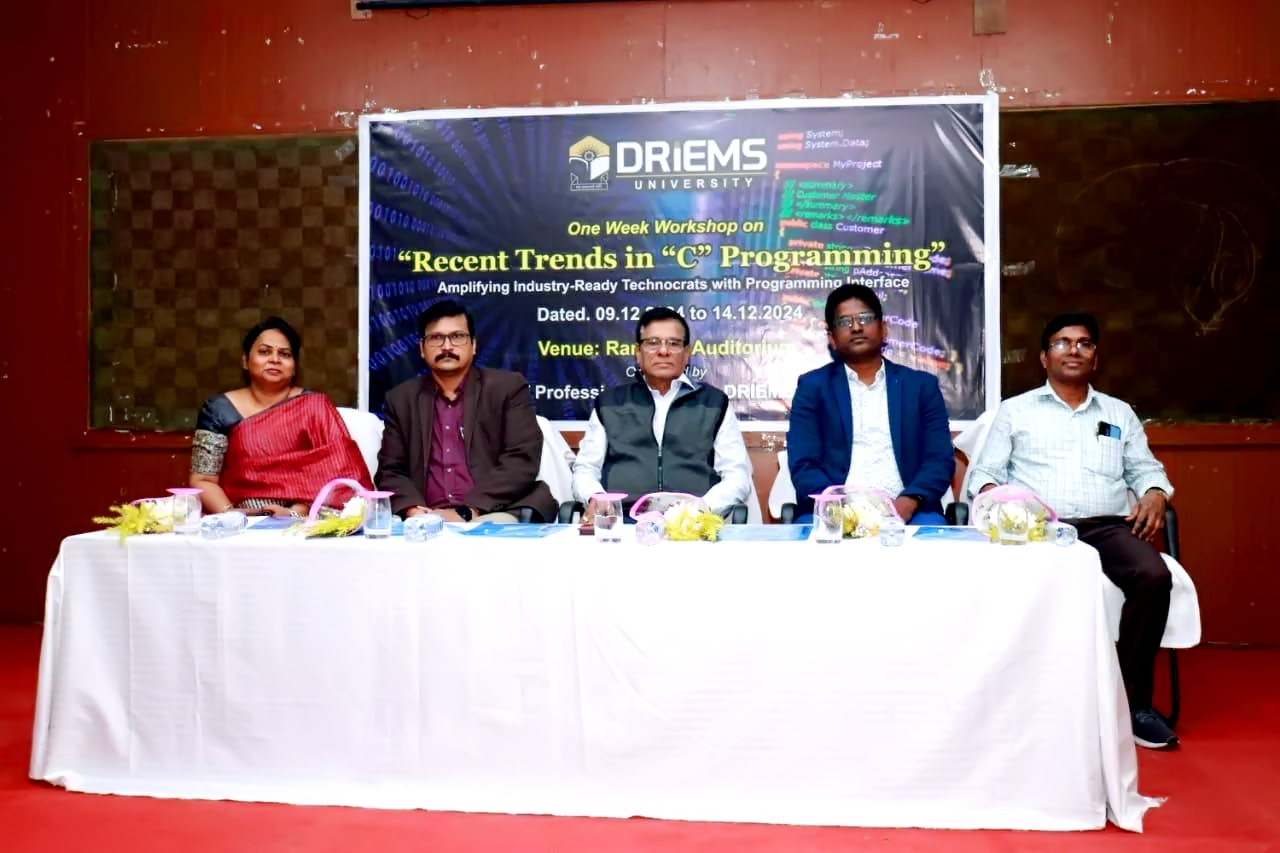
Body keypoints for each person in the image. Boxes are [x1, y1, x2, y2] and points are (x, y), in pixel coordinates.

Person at [967, 312, 1178, 750]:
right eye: (1062, 343)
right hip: (1038, 529)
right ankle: (1017, 703)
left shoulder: (1118, 413)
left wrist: (1156, 492)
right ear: (1045, 357)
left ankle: (1133, 705)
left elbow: (1145, 469)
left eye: (1084, 343)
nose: (1073, 350)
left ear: (1095, 358)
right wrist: (999, 500)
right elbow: (984, 475)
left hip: (1107, 527)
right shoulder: (1016, 411)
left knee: (1154, 576)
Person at [787, 284, 955, 524]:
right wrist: (837, 507)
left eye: (865, 318)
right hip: (834, 513)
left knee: (933, 537)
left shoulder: (921, 387)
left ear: (884, 329)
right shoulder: (812, 388)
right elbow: (804, 463)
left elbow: (939, 459)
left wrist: (908, 502)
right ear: (832, 338)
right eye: (844, 322)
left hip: (909, 512)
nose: (856, 327)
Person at [377, 300, 557, 523]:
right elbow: (391, 470)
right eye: (436, 338)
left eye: (457, 336)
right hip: (426, 518)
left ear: (473, 345)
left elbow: (521, 459)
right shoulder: (401, 400)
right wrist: (414, 511)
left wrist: (469, 511)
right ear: (422, 349)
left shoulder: (507, 388)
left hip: (494, 511)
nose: (447, 346)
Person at [573, 307, 752, 520]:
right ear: (638, 353)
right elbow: (586, 468)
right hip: (622, 522)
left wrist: (704, 507)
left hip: (692, 524)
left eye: (674, 343)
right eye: (653, 343)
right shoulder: (610, 404)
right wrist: (596, 497)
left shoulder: (714, 403)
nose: (663, 351)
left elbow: (737, 476)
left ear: (687, 353)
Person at [189, 316, 373, 517]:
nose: (275, 359)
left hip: (305, 520)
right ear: (245, 361)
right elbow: (203, 480)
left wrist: (295, 512)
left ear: (294, 367)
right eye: (264, 352)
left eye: (284, 354)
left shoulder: (314, 406)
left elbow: (343, 475)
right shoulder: (219, 409)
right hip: (237, 519)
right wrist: (234, 515)